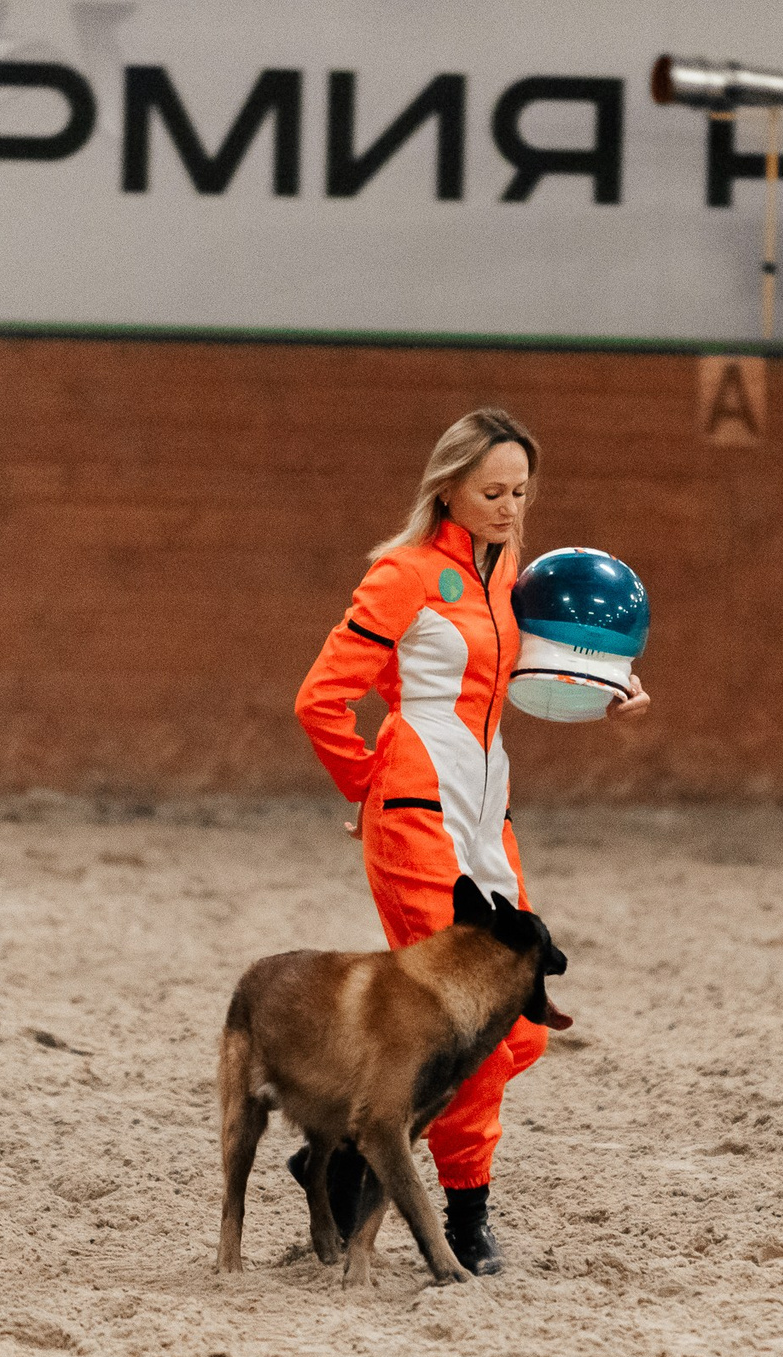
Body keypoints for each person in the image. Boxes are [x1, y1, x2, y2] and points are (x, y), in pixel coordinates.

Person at [292, 408, 650, 1275]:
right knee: (467, 1020)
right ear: (446, 485)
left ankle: (338, 1153)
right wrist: (372, 788)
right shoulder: (401, 576)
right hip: (420, 815)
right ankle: (466, 1215)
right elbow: (321, 699)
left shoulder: (507, 578)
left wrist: (610, 691)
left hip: (487, 813)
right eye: (491, 491)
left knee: (519, 1027)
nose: (508, 507)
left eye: (520, 492)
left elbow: (525, 677)